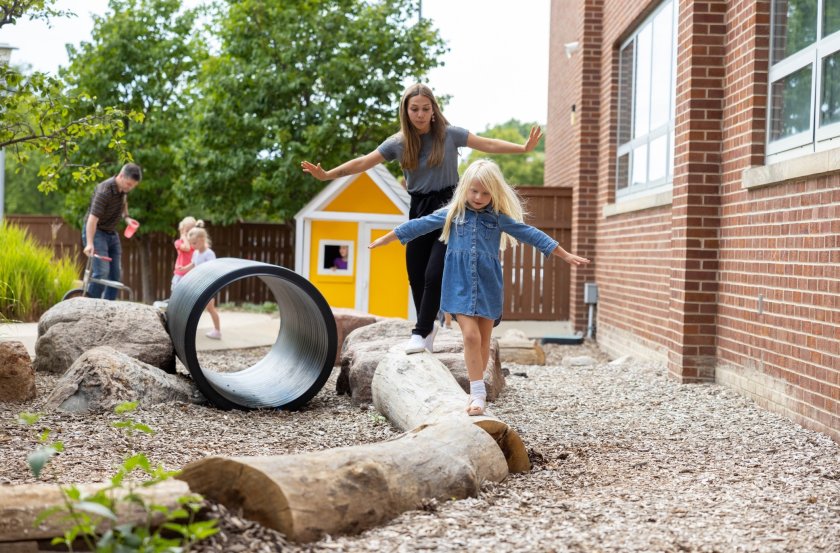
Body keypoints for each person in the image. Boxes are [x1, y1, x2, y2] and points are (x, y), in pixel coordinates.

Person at [302, 83, 542, 354]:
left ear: (433, 110)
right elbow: (363, 162)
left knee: (433, 273)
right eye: (414, 109)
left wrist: (522, 148)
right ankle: (428, 330)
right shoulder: (398, 143)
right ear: (405, 110)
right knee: (416, 275)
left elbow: (486, 143)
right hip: (418, 208)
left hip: (450, 208)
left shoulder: (450, 135)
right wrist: (327, 174)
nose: (420, 114)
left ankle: (420, 330)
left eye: (425, 109)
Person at [369, 159, 590, 415]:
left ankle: (478, 389)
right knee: (471, 336)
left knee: (484, 341)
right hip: (459, 284)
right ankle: (477, 394)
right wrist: (388, 238)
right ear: (465, 188)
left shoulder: (497, 218)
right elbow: (419, 224)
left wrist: (564, 254)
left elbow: (530, 233)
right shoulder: (453, 214)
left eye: (486, 193)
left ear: (494, 193)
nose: (479, 197)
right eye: (474, 191)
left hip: (488, 285)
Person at [82, 163, 142, 299]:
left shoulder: (123, 190)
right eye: (129, 184)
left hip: (111, 233)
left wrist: (127, 218)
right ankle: (90, 305)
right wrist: (90, 243)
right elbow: (92, 219)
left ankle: (107, 307)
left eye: (133, 186)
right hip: (96, 232)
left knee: (116, 274)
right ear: (121, 176)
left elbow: (123, 204)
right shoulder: (104, 191)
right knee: (102, 272)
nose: (130, 188)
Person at [179, 226, 222, 340]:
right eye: (191, 243)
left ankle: (217, 331)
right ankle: (189, 330)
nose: (192, 246)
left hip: (209, 285)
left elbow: (213, 268)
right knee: (197, 307)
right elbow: (193, 264)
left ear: (202, 239)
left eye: (194, 243)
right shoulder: (196, 253)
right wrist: (183, 268)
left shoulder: (209, 253)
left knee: (210, 308)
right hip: (200, 285)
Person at [172, 217, 204, 291]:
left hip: (192, 273)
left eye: (191, 232)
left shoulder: (195, 245)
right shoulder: (178, 242)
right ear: (182, 231)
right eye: (187, 231)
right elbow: (187, 248)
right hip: (180, 273)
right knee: (177, 292)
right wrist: (184, 237)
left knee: (190, 294)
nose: (189, 233)